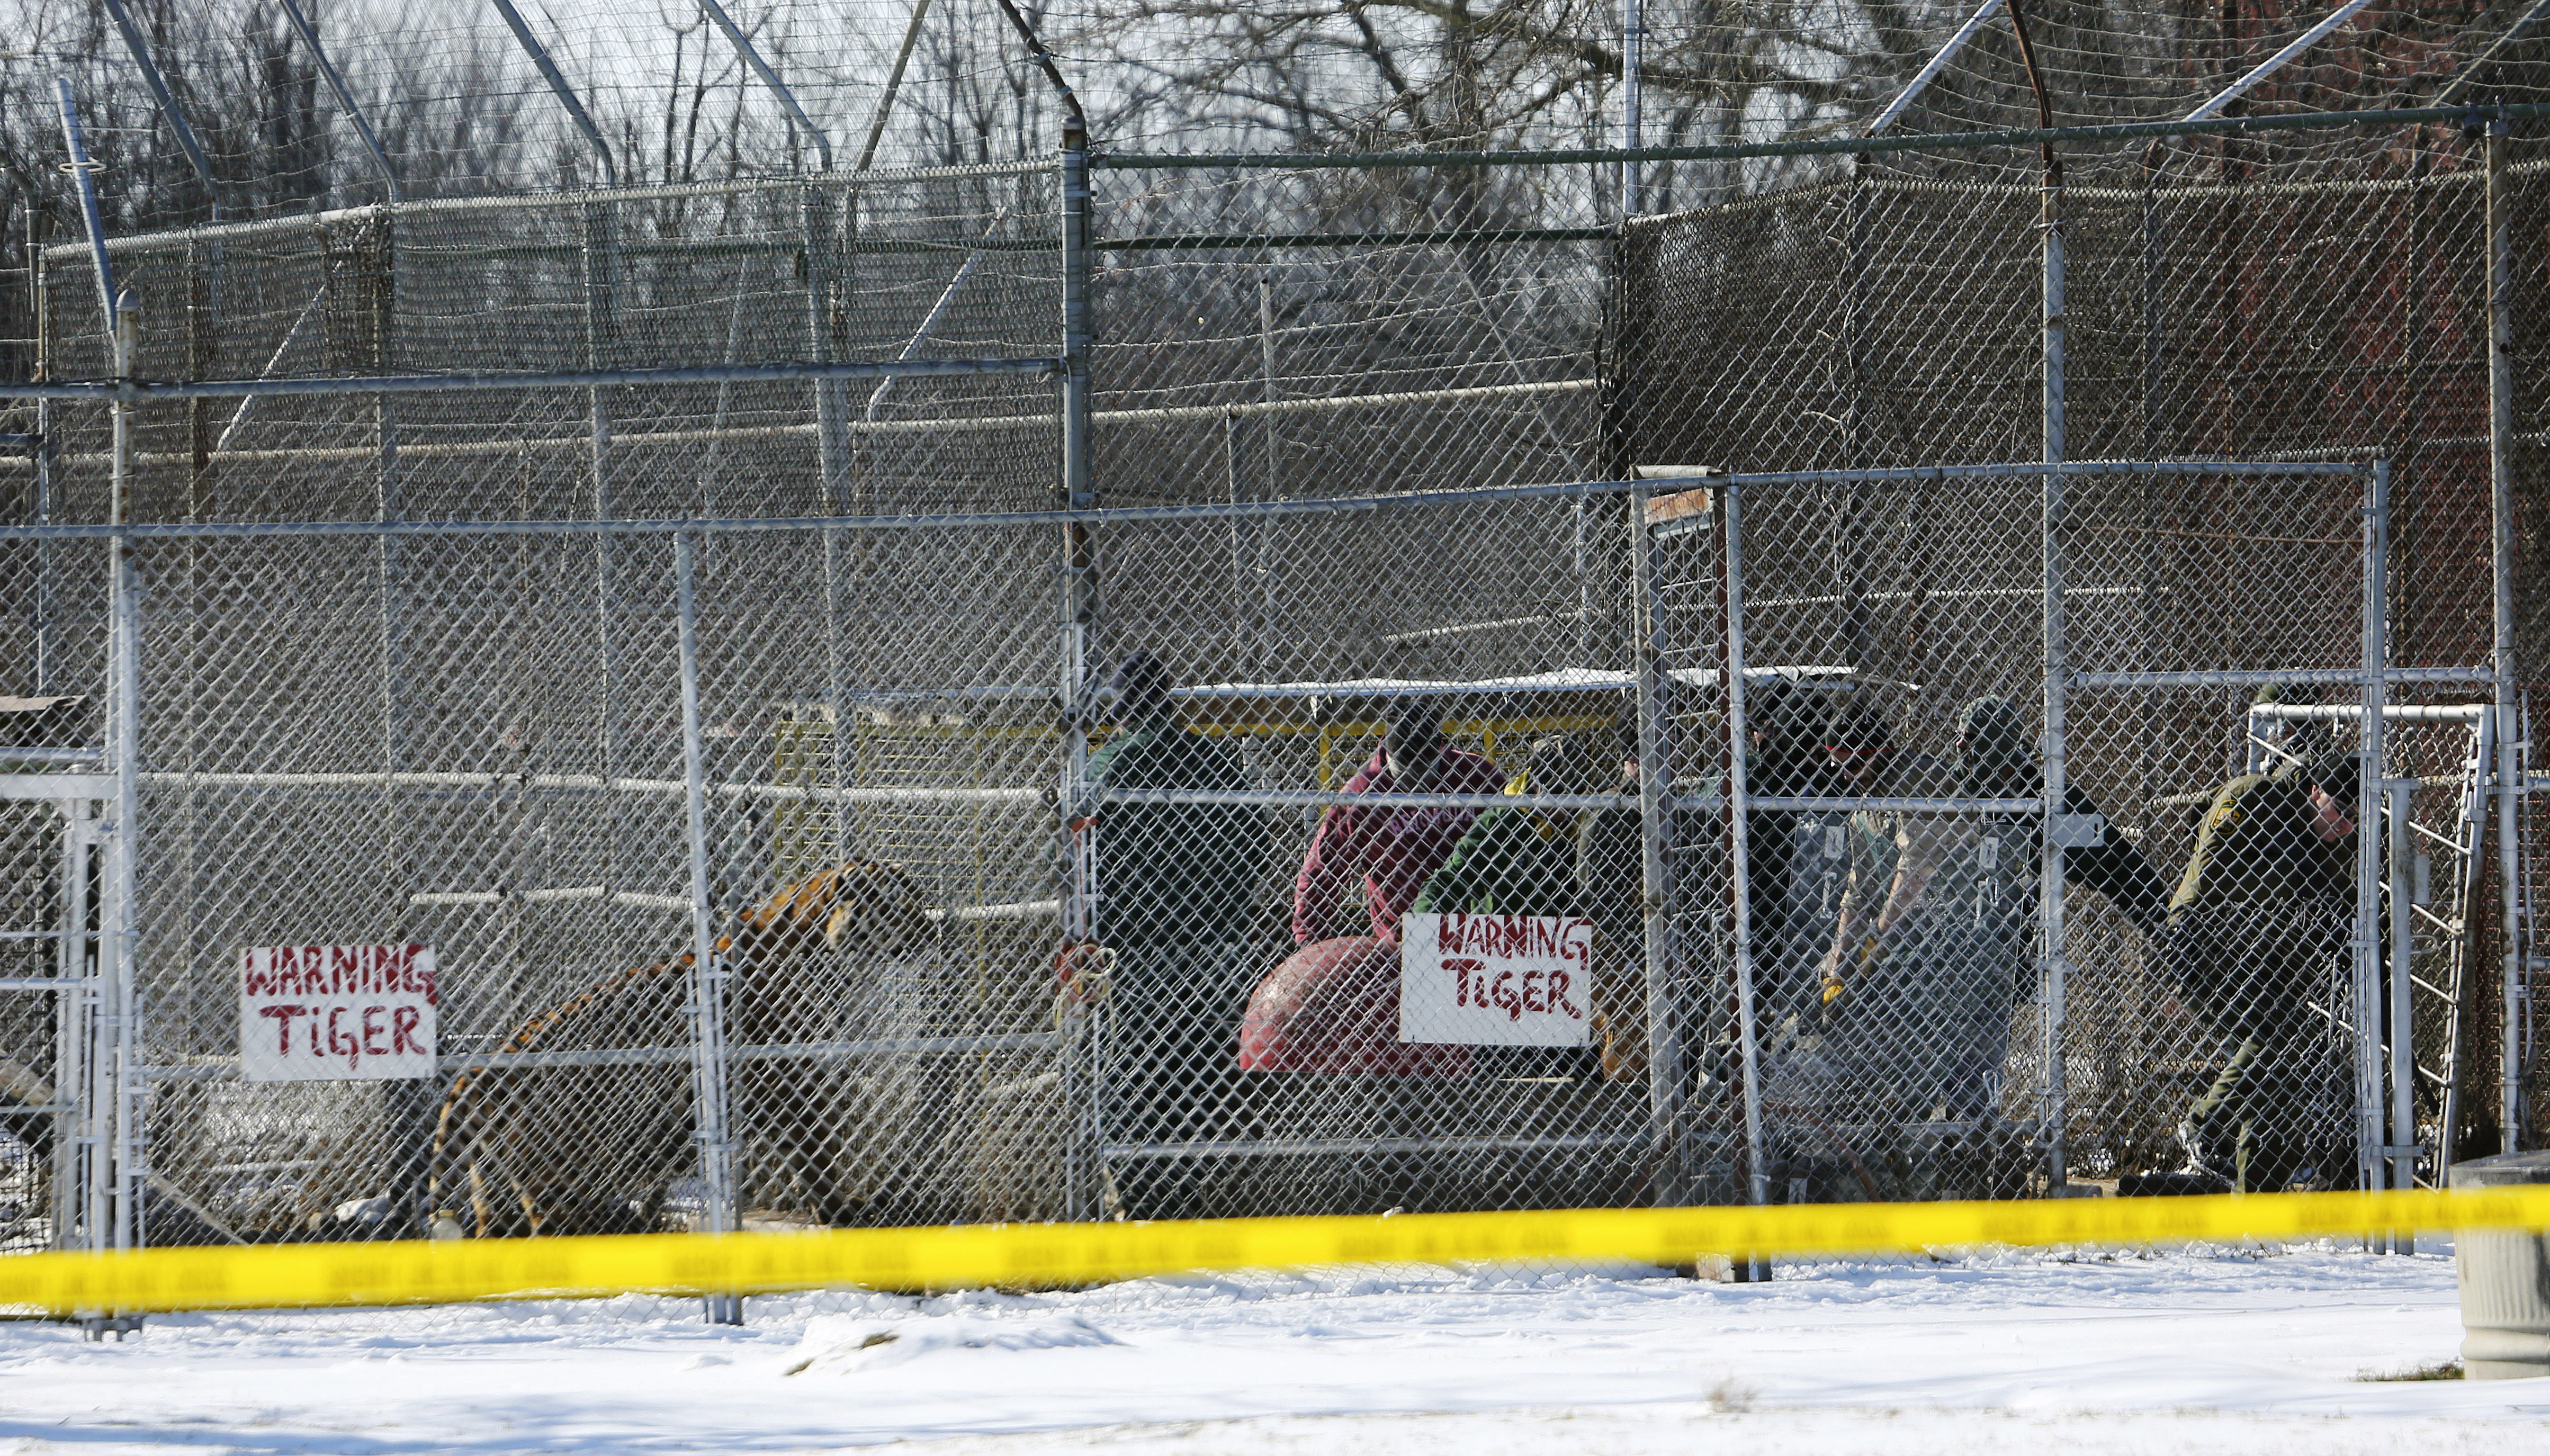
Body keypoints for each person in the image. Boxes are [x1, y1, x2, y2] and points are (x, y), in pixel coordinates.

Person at [1080, 651, 1265, 1217]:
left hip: (1138, 947)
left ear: (1120, 707)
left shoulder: (1107, 762)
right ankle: (1194, 1188)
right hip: (1217, 945)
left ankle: (1141, 1194)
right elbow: (1254, 842)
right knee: (1201, 1058)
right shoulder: (1216, 759)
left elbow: (1077, 853)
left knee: (1134, 1065)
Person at [2156, 747, 2363, 1193]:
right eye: (2341, 810)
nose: (2346, 825)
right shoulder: (2255, 798)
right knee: (2276, 1038)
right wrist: (2178, 957)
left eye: (2355, 818)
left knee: (2285, 1064)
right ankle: (2205, 1124)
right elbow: (2204, 874)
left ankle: (2259, 1199)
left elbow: (2338, 898)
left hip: (2260, 964)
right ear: (2314, 792)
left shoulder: (2322, 840)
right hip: (2202, 946)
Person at [1291, 709, 1506, 946]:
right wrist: (1310, 946)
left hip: (1478, 931)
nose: (1415, 781)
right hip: (1402, 940)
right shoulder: (1363, 796)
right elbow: (1322, 870)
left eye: (1424, 769)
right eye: (1404, 771)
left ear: (1440, 751)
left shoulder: (1476, 775)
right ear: (1388, 754)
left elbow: (1519, 827)